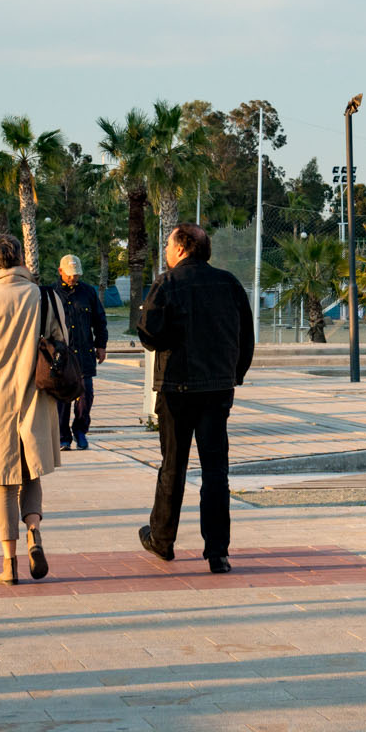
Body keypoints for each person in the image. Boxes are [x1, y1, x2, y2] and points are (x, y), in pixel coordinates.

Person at [137, 222, 253, 574]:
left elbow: (149, 335)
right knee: (216, 470)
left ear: (182, 248)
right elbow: (245, 337)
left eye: (170, 245)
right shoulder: (229, 283)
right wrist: (234, 375)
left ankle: (162, 539)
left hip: (177, 389)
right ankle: (218, 552)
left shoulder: (167, 282)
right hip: (217, 389)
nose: (167, 252)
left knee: (173, 465)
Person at [0, 233, 67, 586]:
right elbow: (61, 341)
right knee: (31, 473)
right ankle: (34, 533)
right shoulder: (44, 296)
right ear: (21, 259)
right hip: (36, 394)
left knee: (3, 484)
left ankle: (9, 564)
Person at [51, 254, 107, 452]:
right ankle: (63, 436)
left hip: (84, 353)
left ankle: (80, 430)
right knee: (63, 398)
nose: (74, 278)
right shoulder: (51, 293)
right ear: (61, 272)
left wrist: (101, 345)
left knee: (86, 395)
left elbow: (100, 320)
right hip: (62, 355)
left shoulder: (88, 292)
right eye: (70, 275)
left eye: (76, 275)